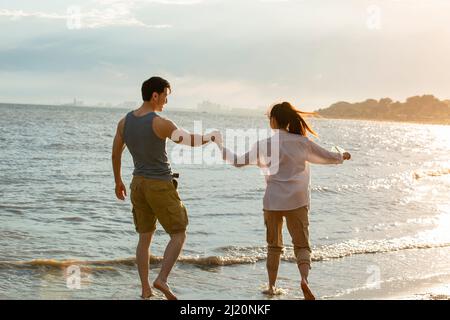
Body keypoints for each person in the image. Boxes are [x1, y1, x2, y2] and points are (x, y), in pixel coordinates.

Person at [212, 102, 351, 300]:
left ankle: (271, 287)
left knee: (273, 247)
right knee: (302, 246)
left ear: (274, 120)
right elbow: (327, 156)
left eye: (269, 117)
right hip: (297, 201)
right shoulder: (301, 142)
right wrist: (342, 156)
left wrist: (219, 144)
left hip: (272, 202)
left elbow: (237, 162)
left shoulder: (263, 144)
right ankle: (304, 280)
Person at [111, 76, 218, 300]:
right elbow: (188, 140)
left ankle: (145, 290)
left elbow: (116, 153)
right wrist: (210, 137)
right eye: (166, 96)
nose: (166, 102)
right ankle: (161, 279)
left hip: (137, 184)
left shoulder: (124, 122)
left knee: (144, 237)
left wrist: (117, 181)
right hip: (159, 185)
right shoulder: (160, 122)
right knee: (179, 234)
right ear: (155, 95)